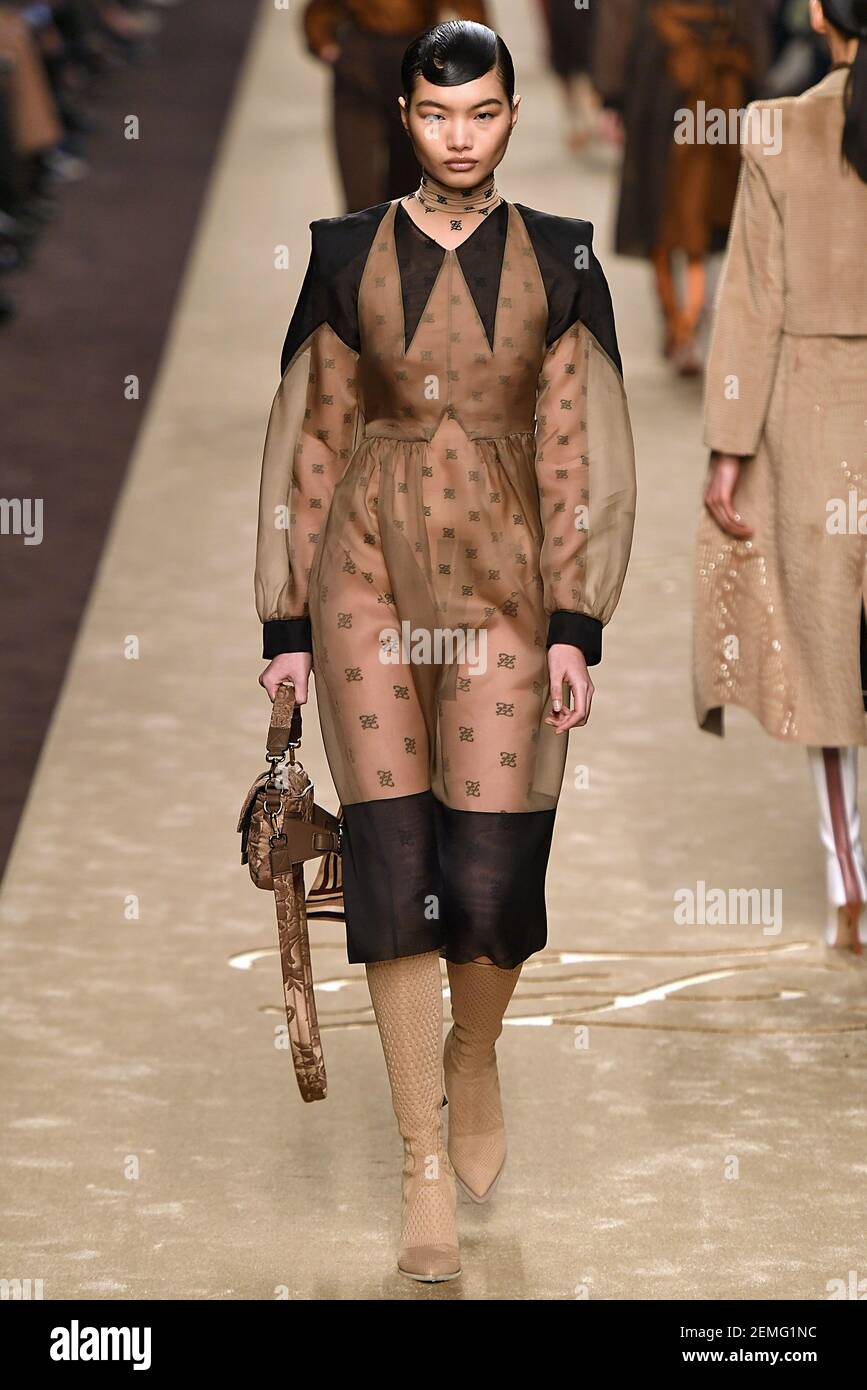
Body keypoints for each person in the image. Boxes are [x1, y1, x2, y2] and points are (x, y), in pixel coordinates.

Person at [254, 20, 636, 1282]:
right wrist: (286, 623)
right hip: (365, 571)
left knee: (487, 872)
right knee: (393, 856)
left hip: (509, 595)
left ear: (514, 116)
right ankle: (421, 1156)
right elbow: (307, 437)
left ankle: (473, 1057)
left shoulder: (570, 261)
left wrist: (580, 619)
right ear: (407, 117)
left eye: (479, 114)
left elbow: (589, 450)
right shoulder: (344, 252)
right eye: (434, 114)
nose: (456, 136)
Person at [694, 0, 867, 953]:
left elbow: (752, 304)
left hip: (812, 415)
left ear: (817, 14)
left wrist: (728, 444)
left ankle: (851, 889)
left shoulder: (775, 129)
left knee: (824, 658)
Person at [613, 0, 769, 374]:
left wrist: (614, 100)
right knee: (697, 230)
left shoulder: (654, 18)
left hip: (657, 113)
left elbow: (623, 49)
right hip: (713, 117)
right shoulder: (726, 18)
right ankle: (688, 323)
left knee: (659, 226)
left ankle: (677, 324)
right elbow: (757, 49)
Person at [301, 0, 489, 212]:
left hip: (415, 61)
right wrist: (326, 44)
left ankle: (388, 235)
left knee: (409, 185)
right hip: (361, 63)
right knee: (360, 183)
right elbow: (321, 9)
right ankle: (366, 236)